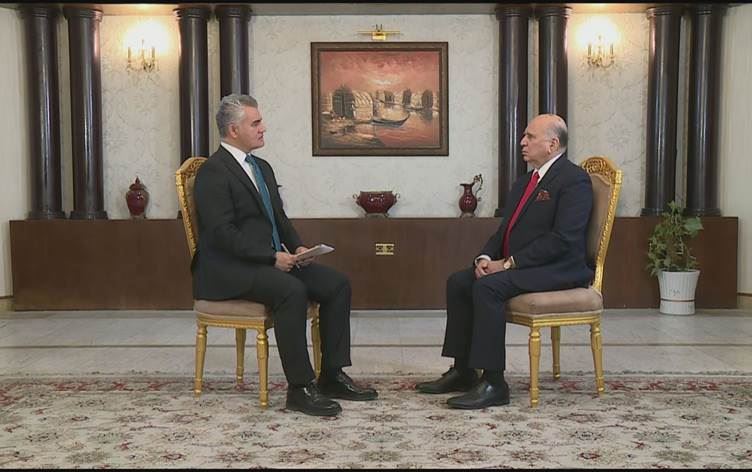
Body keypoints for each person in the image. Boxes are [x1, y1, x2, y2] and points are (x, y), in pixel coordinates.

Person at [192, 94, 378, 417]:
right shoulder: (213, 172)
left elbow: (279, 219)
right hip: (228, 269)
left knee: (337, 284)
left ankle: (331, 376)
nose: (263, 128)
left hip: (269, 260)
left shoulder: (261, 167)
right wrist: (270, 258)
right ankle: (300, 389)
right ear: (234, 130)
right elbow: (222, 234)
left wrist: (299, 248)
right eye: (256, 123)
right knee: (291, 290)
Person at [415, 113, 594, 409]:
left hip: (559, 269)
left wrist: (508, 264)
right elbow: (504, 231)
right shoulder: (525, 182)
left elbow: (563, 240)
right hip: (527, 265)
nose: (522, 142)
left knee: (488, 287)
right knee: (460, 282)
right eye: (524, 136)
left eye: (530, 137)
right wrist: (486, 258)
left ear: (552, 144)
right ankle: (464, 370)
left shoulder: (574, 180)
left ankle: (494, 383)